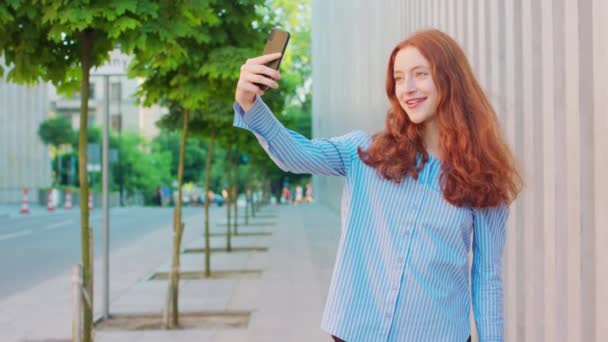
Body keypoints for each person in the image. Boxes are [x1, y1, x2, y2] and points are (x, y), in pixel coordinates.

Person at [233, 29, 522, 342]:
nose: (407, 88)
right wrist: (249, 103)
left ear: (451, 80)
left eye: (420, 74)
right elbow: (295, 154)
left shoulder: (482, 180)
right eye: (398, 77)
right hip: (355, 332)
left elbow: (486, 278)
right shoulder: (366, 154)